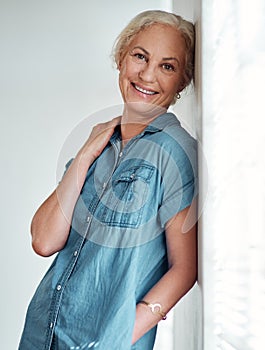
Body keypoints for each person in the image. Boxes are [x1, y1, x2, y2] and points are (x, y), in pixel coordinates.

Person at [19, 10, 198, 350]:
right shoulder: (98, 147)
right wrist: (86, 153)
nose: (147, 75)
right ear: (121, 58)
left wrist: (119, 337)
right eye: (140, 56)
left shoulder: (176, 153)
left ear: (182, 81)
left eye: (167, 66)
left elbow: (184, 269)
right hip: (42, 334)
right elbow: (43, 240)